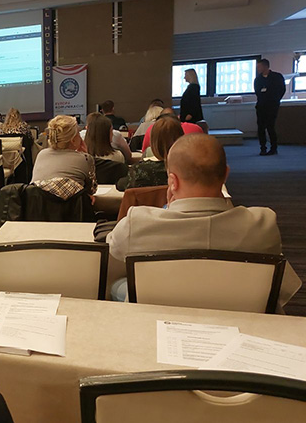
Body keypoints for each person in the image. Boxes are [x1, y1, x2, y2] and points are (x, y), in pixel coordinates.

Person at [107, 133, 301, 306]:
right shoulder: (263, 224)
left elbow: (114, 248)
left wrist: (167, 210)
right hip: (240, 316)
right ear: (225, 175)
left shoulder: (138, 223)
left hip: (158, 319)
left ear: (173, 182)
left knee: (119, 285)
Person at [31, 115, 97, 199]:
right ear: (73, 140)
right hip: (72, 206)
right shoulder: (85, 158)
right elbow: (92, 190)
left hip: (37, 205)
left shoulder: (41, 154)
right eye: (78, 133)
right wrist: (85, 154)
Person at [117, 116, 184, 191]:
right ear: (181, 139)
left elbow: (120, 185)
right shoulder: (188, 169)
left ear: (153, 142)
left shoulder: (140, 170)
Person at [254, 58, 286, 156]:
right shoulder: (258, 79)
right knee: (261, 127)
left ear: (265, 66)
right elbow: (257, 92)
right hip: (261, 106)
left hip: (272, 106)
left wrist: (275, 100)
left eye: (259, 67)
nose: (258, 69)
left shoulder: (277, 77)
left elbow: (282, 90)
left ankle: (273, 148)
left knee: (270, 127)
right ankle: (263, 148)